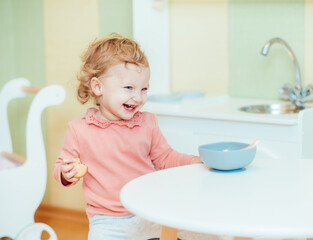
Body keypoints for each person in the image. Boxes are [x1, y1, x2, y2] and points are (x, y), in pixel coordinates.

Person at [53, 33, 202, 240]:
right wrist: (65, 172)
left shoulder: (147, 122)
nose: (138, 97)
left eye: (144, 89)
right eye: (129, 88)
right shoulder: (80, 130)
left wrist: (193, 160)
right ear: (98, 87)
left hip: (149, 210)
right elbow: (61, 165)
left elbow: (165, 158)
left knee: (201, 233)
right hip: (108, 220)